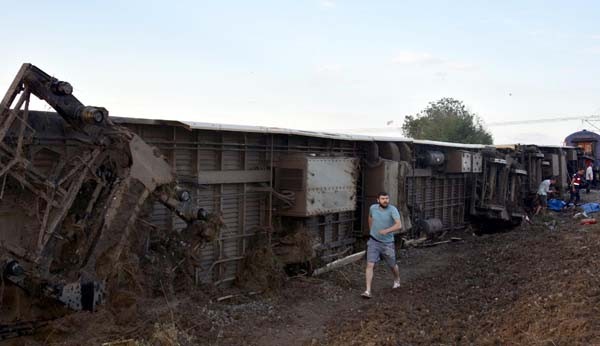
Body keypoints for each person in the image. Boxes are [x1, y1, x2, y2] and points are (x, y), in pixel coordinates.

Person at [362, 192, 402, 299]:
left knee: (392, 265)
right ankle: (367, 290)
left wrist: (386, 231)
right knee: (370, 265)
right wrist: (371, 230)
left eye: (387, 198)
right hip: (373, 241)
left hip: (387, 243)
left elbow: (399, 225)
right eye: (383, 199)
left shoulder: (392, 210)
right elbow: (370, 217)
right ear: (378, 200)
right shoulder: (373, 208)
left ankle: (397, 279)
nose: (385, 201)